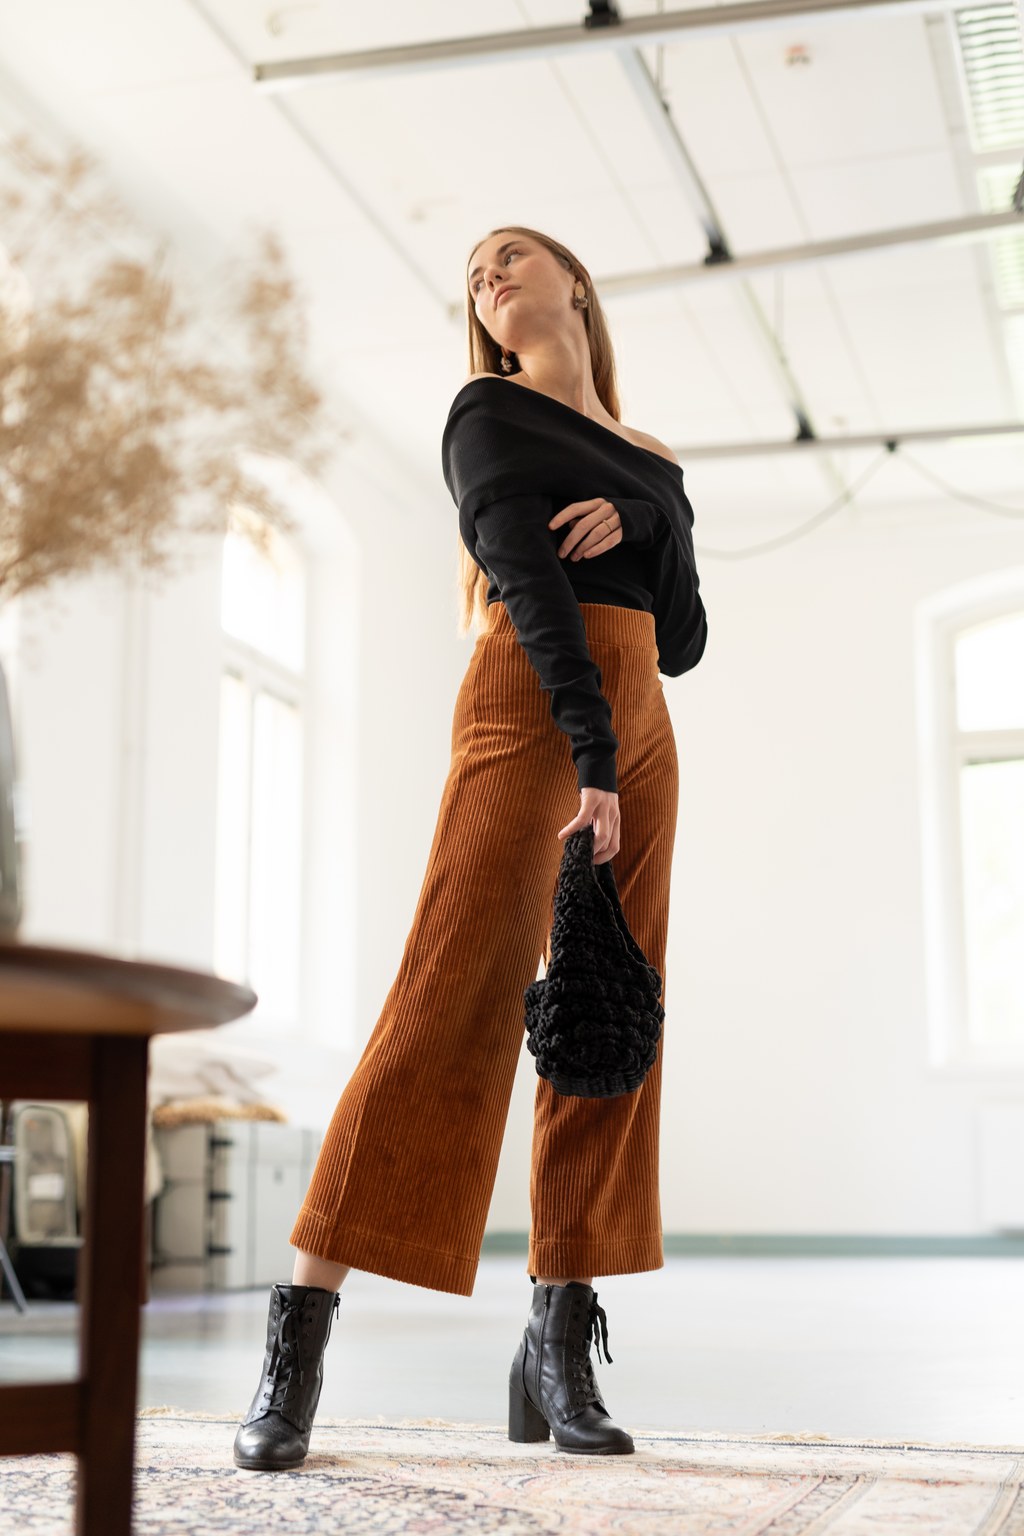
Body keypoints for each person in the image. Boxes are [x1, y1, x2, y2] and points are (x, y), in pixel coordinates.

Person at [232, 226, 708, 1471]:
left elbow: (686, 634)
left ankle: (555, 1341)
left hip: (643, 719)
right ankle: (298, 1339)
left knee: (606, 1018)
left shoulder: (653, 456)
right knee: (446, 998)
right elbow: (527, 585)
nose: (487, 277)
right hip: (532, 699)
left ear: (574, 281)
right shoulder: (485, 413)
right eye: (474, 276)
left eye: (508, 255)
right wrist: (589, 750)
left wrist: (645, 519)